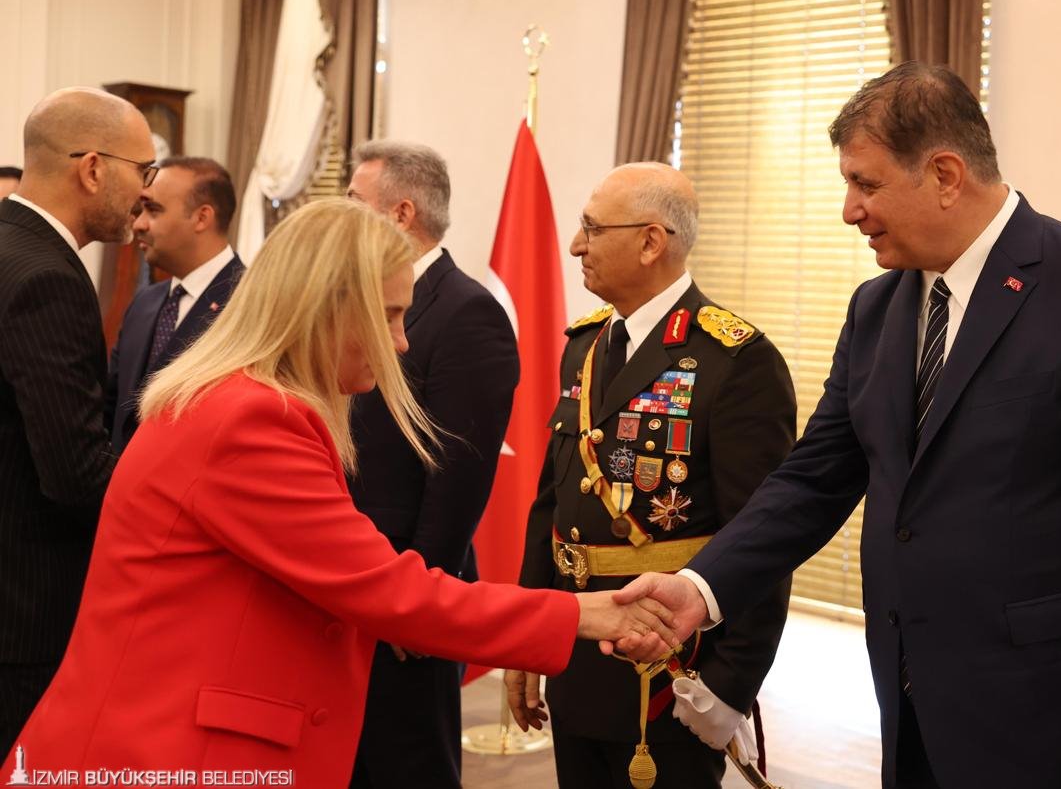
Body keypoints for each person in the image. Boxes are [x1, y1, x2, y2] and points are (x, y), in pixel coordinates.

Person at [620, 64, 1061, 789]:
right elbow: (813, 479)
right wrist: (701, 587)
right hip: (910, 704)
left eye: (865, 184)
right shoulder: (877, 308)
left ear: (944, 175)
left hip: (1051, 719)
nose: (850, 210)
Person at [1, 200, 677, 786]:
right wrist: (585, 614)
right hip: (166, 750)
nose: (401, 342)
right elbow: (386, 590)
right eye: (389, 316)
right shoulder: (248, 420)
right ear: (326, 309)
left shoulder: (240, 400)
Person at [506, 163, 796, 788]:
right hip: (573, 652)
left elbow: (765, 537)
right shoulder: (584, 344)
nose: (576, 245)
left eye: (592, 229)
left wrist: (728, 686)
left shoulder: (734, 360)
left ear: (649, 242)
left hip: (669, 672)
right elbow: (553, 502)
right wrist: (527, 634)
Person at [341, 140, 519, 789]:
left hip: (408, 585)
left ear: (401, 214)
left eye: (354, 201)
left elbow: (459, 478)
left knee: (408, 764)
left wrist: (417, 599)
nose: (342, 214)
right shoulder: (355, 295)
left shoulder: (466, 311)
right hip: (350, 576)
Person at [0, 88, 153, 747]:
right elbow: (74, 473)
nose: (146, 192)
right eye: (143, 170)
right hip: (25, 615)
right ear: (92, 168)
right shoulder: (47, 277)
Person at [107, 156, 244, 451]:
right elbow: (113, 406)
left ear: (202, 218)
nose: (139, 224)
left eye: (153, 210)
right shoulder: (144, 303)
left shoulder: (250, 305)